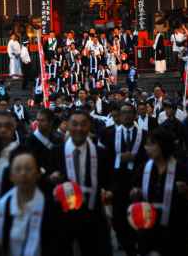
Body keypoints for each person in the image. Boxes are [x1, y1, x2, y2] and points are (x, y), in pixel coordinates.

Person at [49, 110, 113, 256]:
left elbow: (110, 180)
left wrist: (109, 191)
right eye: (74, 124)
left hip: (93, 212)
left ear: (89, 126)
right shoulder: (56, 152)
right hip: (64, 213)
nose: (79, 128)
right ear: (68, 126)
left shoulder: (101, 153)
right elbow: (47, 177)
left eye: (83, 124)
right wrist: (52, 178)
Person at [131, 128, 188, 256]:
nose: (147, 148)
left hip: (174, 229)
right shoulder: (144, 168)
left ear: (163, 145)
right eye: (146, 144)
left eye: (151, 144)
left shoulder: (179, 168)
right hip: (149, 228)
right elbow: (134, 190)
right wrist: (135, 193)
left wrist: (187, 190)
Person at [0, 151, 62, 256]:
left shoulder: (50, 208)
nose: (23, 173)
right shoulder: (1, 205)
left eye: (28, 169)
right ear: (11, 176)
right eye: (18, 169)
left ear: (38, 174)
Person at [100, 103, 147, 256]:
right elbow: (105, 160)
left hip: (137, 181)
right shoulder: (110, 134)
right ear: (119, 115)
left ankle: (135, 244)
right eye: (123, 112)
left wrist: (135, 157)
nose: (126, 115)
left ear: (135, 115)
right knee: (119, 218)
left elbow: (148, 158)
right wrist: (107, 187)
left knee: (137, 215)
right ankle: (127, 246)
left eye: (129, 112)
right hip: (116, 182)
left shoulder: (144, 134)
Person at [26, 109, 60, 174]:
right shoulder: (30, 140)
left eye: (42, 120)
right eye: (37, 120)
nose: (38, 123)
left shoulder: (57, 139)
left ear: (51, 122)